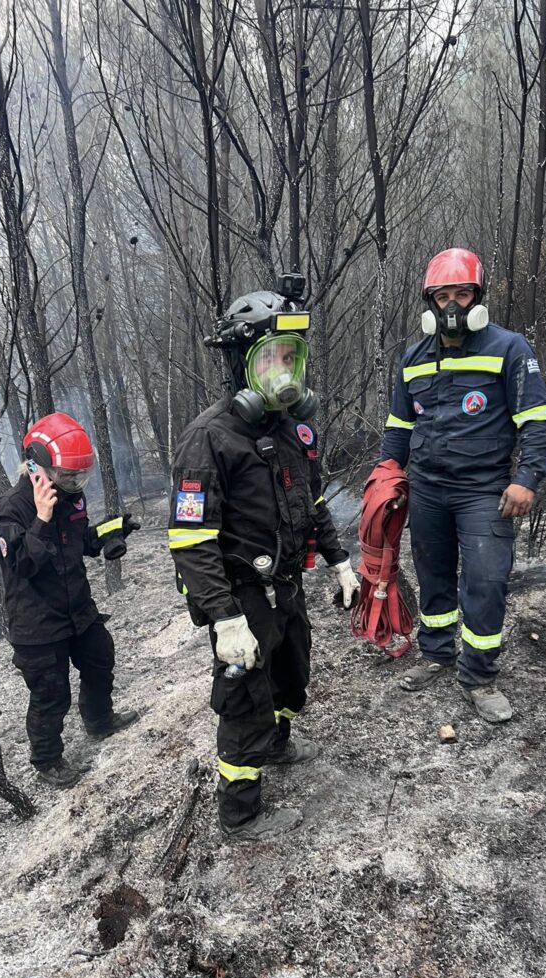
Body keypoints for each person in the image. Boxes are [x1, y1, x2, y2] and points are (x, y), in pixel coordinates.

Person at [168, 280, 359, 841]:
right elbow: (189, 539)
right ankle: (240, 812)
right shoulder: (208, 439)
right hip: (240, 592)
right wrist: (224, 620)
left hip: (287, 584)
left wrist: (339, 560)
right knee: (245, 701)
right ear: (240, 363)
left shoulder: (295, 429)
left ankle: (277, 745)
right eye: (270, 356)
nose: (283, 368)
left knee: (291, 677)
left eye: (290, 356)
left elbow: (313, 501)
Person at [381, 248, 546, 722]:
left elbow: (537, 421)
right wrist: (387, 475)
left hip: (484, 491)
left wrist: (527, 480)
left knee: (485, 581)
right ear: (429, 302)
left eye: (463, 294)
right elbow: (399, 426)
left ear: (478, 298)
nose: (452, 305)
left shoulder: (509, 349)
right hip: (428, 489)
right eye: (443, 296)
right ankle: (437, 654)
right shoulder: (413, 358)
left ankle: (478, 674)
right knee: (433, 575)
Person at [0, 412, 140, 788]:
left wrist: (111, 530)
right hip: (38, 625)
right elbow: (23, 564)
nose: (74, 484)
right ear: (35, 465)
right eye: (66, 476)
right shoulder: (12, 507)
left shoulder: (71, 497)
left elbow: (79, 542)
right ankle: (47, 760)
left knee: (99, 660)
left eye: (79, 476)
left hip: (78, 610)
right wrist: (41, 517)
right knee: (50, 695)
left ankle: (99, 720)